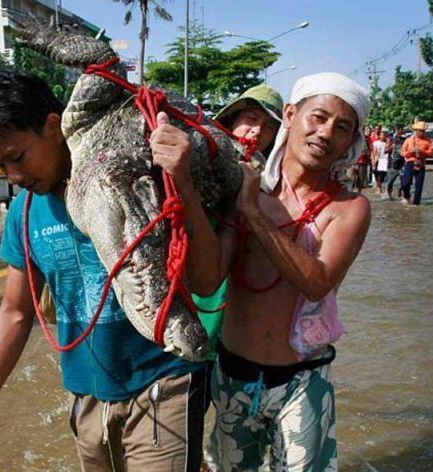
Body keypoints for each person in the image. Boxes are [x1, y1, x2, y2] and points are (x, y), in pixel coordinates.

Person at [0, 68, 206, 471]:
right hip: (86, 394)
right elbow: (15, 313)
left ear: (54, 126)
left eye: (18, 157)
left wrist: (183, 180)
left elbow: (209, 274)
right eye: (2, 166)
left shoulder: (137, 180)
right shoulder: (23, 213)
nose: (15, 177)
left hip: (163, 380)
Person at [157, 72, 372, 470]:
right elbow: (205, 281)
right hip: (233, 375)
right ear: (290, 115)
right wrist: (184, 184)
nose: (326, 133)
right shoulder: (242, 189)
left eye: (342, 127)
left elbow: (316, 282)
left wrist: (254, 214)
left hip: (304, 379)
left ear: (350, 141)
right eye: (318, 117)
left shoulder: (349, 207)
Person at [195, 84, 283, 377]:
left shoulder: (270, 185)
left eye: (270, 127)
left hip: (232, 303)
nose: (258, 132)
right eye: (252, 119)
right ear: (232, 120)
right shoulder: (199, 160)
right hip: (195, 286)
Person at [401, 121, 433, 205]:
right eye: (420, 130)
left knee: (419, 186)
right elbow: (403, 152)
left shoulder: (427, 141)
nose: (421, 132)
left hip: (421, 163)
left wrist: (422, 151)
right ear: (416, 131)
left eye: (423, 131)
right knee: (405, 183)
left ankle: (416, 203)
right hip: (410, 163)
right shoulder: (409, 140)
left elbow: (430, 152)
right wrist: (410, 152)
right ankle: (407, 196)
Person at [385, 125, 406, 200]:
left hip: (402, 164)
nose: (401, 132)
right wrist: (391, 147)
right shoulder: (390, 139)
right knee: (390, 182)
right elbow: (385, 151)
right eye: (400, 130)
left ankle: (400, 192)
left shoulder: (404, 140)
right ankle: (389, 196)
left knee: (404, 182)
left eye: (402, 130)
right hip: (392, 164)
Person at [371, 129, 391, 194]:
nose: (383, 136)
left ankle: (379, 187)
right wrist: (374, 159)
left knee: (381, 174)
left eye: (384, 135)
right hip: (378, 159)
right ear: (379, 136)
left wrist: (388, 142)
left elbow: (387, 150)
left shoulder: (386, 143)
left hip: (384, 160)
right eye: (381, 135)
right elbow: (374, 151)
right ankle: (378, 187)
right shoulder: (376, 143)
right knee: (376, 173)